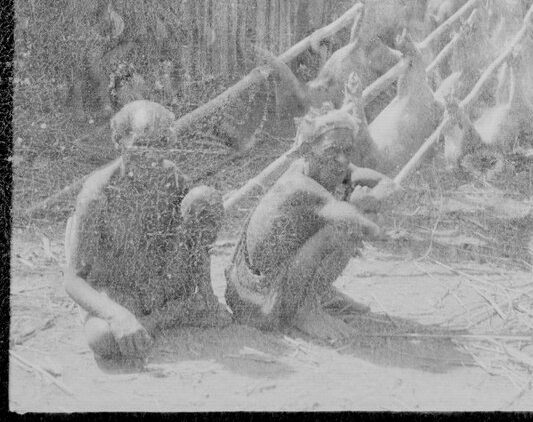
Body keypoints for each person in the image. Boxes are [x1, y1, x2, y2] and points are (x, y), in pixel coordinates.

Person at [64, 100, 230, 361]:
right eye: (142, 145)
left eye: (161, 144)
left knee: (203, 200)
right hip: (118, 290)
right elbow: (73, 280)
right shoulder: (97, 195)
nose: (152, 156)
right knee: (103, 338)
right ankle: (173, 314)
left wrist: (205, 293)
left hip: (159, 283)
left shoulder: (171, 177)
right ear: (119, 141)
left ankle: (170, 314)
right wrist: (116, 314)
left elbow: (196, 239)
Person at [225, 102, 399, 339]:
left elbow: (390, 185)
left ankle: (317, 293)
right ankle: (303, 309)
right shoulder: (298, 186)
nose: (341, 159)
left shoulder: (328, 165)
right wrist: (362, 205)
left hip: (270, 283)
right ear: (308, 151)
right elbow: (361, 224)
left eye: (347, 151)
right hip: (258, 300)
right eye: (331, 150)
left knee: (350, 218)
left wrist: (370, 200)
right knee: (343, 228)